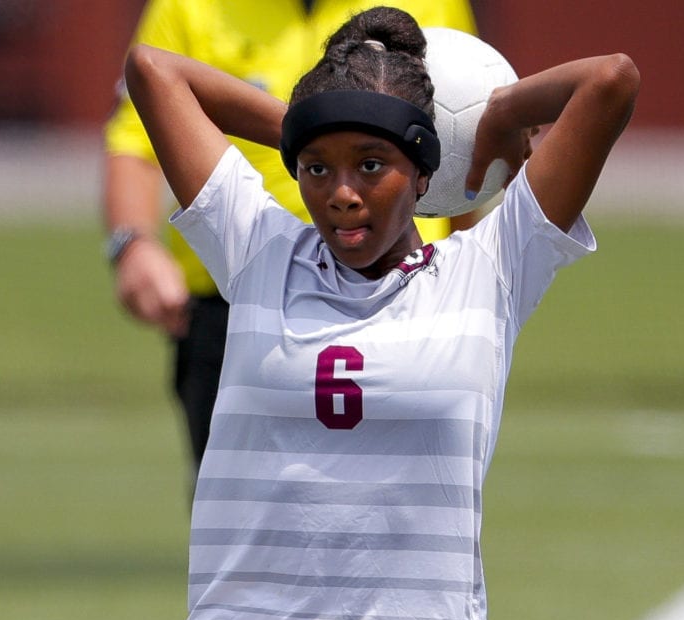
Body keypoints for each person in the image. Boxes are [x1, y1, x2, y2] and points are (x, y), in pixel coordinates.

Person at [124, 6, 638, 620]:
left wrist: (499, 111)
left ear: (425, 170)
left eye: (371, 164)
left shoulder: (489, 270)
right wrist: (314, 117)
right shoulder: (257, 249)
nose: (340, 193)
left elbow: (611, 80)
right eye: (316, 168)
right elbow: (154, 70)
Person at [102, 0, 478, 483]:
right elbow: (136, 132)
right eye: (319, 166)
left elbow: (461, 149)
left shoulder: (435, 4)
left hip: (407, 300)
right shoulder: (190, 6)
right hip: (235, 304)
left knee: (410, 502)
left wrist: (468, 279)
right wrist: (134, 244)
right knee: (243, 511)